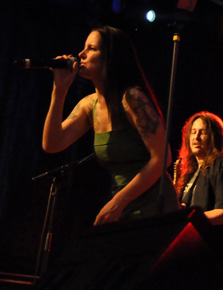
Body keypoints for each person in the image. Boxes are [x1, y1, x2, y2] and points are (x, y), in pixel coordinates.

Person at [42, 25, 179, 225]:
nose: (81, 54)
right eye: (84, 48)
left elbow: (162, 158)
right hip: (122, 207)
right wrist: (59, 91)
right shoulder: (90, 105)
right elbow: (52, 144)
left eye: (91, 48)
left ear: (110, 57)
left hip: (154, 207)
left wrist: (118, 202)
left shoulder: (132, 98)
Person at [175, 111, 223, 269]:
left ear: (214, 137)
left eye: (202, 132)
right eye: (193, 132)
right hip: (193, 254)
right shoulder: (192, 172)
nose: (196, 137)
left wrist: (192, 220)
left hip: (214, 258)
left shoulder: (222, 164)